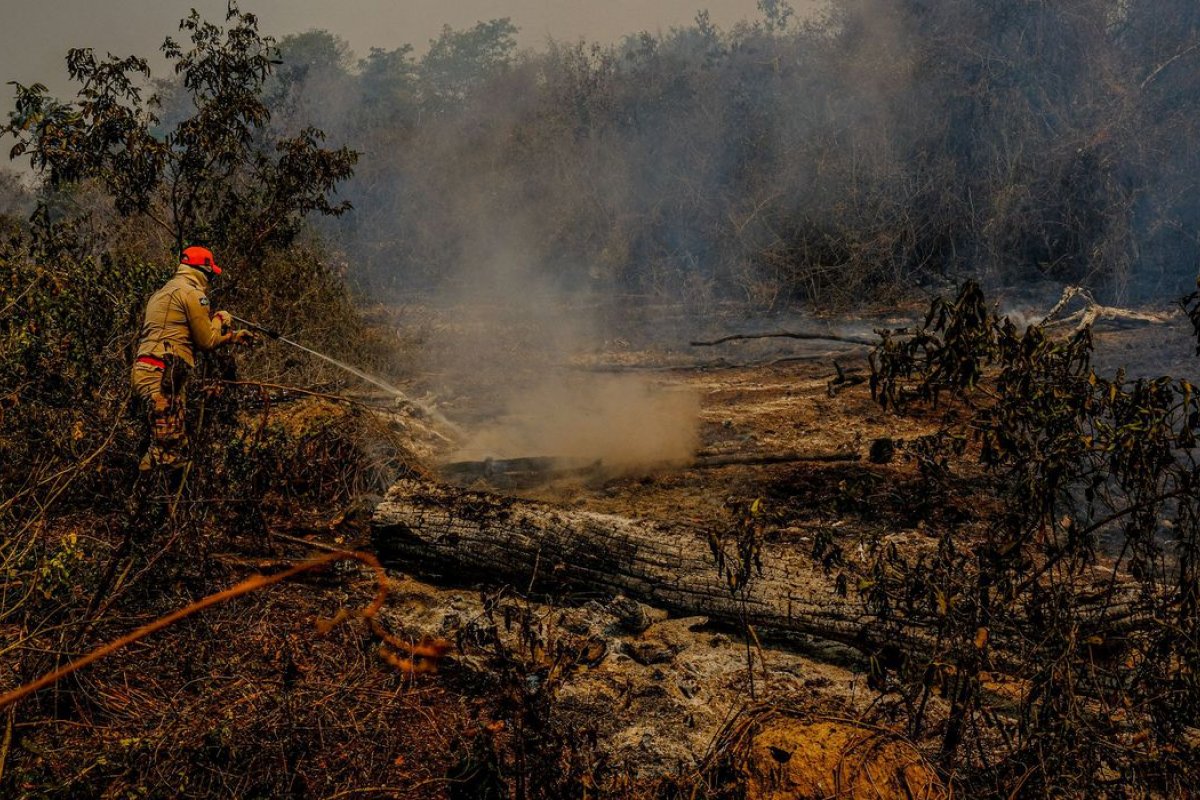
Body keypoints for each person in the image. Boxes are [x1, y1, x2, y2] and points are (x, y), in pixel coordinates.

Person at [131, 246, 254, 471]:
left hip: (146, 372)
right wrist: (219, 318)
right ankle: (147, 500)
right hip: (163, 377)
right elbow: (206, 341)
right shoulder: (193, 294)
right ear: (202, 271)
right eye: (210, 275)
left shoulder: (161, 292)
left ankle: (145, 495)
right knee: (170, 455)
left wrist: (233, 337)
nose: (210, 281)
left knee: (160, 443)